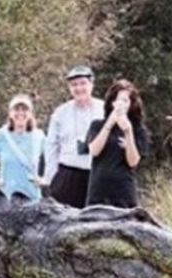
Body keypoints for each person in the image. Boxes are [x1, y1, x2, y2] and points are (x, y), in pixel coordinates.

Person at [40, 65, 105, 207]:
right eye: (74, 85)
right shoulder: (60, 113)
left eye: (82, 83)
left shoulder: (104, 109)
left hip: (97, 175)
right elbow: (51, 146)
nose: (79, 88)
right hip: (68, 175)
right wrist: (51, 179)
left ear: (91, 84)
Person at [85, 79, 150, 208]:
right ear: (112, 103)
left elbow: (133, 161)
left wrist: (128, 131)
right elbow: (94, 150)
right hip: (99, 190)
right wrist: (109, 124)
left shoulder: (138, 129)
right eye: (118, 100)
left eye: (125, 101)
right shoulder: (97, 125)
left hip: (124, 191)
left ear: (131, 104)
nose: (121, 105)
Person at [0, 94, 45, 200]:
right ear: (10, 113)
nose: (20, 113)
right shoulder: (1, 135)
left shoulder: (39, 137)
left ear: (31, 114)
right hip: (6, 198)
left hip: (32, 198)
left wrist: (46, 179)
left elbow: (53, 158)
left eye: (24, 109)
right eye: (16, 109)